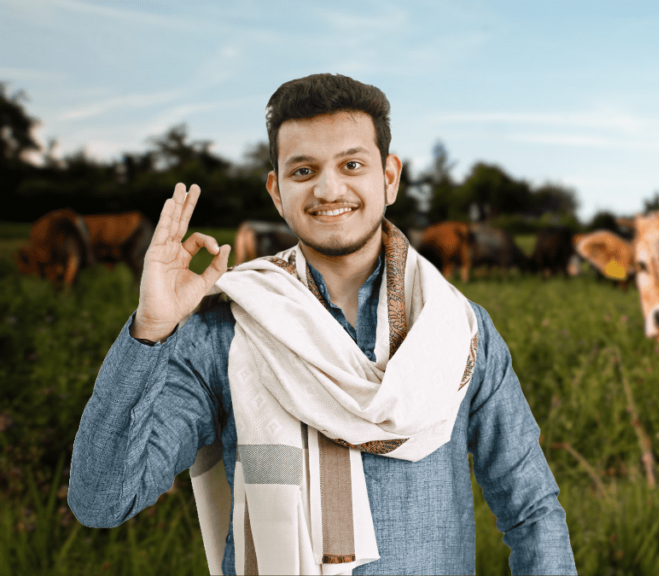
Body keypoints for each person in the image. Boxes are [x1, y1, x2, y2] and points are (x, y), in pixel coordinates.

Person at [69, 73, 577, 576]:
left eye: (352, 164)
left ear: (389, 177)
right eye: (303, 170)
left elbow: (531, 509)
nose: (329, 188)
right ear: (276, 191)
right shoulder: (229, 329)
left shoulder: (456, 329)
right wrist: (152, 328)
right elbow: (102, 501)